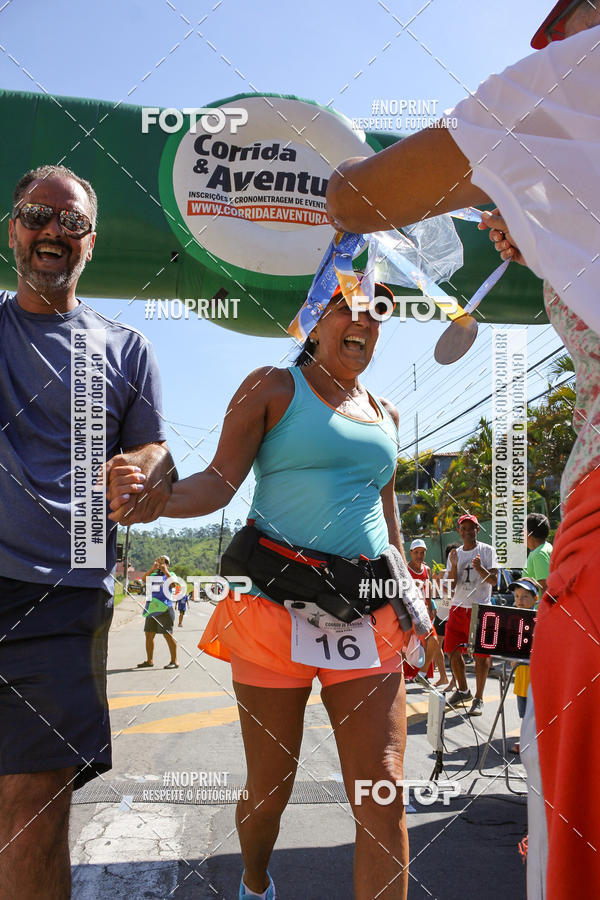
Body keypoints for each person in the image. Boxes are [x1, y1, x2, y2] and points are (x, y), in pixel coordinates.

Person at [327, 5, 600, 895]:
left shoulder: (573, 75)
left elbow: (353, 197)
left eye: (568, 24)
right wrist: (546, 229)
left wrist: (498, 174)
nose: (556, 46)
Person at [108, 280, 434, 900]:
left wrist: (419, 616)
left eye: (377, 311)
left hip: (367, 615)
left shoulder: (387, 414)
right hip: (273, 610)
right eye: (347, 305)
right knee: (270, 789)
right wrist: (156, 502)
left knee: (383, 789)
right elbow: (216, 483)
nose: (364, 319)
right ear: (314, 321)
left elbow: (390, 534)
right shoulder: (272, 386)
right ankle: (255, 880)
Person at [0, 164, 174, 899]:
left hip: (64, 599)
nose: (53, 233)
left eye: (70, 223)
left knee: (31, 809)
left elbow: (155, 451)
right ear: (14, 228)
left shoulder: (126, 349)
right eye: (39, 215)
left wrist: (139, 471)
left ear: (90, 244)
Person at [444, 515, 499, 716]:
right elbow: (450, 587)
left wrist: (480, 568)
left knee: (482, 656)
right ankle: (463, 690)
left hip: (480, 608)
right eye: (464, 528)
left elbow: (494, 581)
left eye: (471, 528)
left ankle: (479, 697)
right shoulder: (455, 554)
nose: (468, 531)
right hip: (458, 608)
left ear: (477, 529)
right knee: (451, 650)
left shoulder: (487, 550)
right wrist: (454, 566)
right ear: (459, 531)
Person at [406, 539, 448, 686]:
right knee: (411, 646)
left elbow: (428, 589)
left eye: (422, 552)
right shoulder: (405, 570)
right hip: (409, 612)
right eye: (416, 552)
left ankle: (428, 674)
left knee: (434, 642)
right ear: (410, 553)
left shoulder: (427, 569)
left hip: (423, 612)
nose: (419, 555)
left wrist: (431, 606)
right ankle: (416, 675)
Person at [508, 577, 540, 754]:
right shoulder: (514, 619)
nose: (520, 600)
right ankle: (526, 740)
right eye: (517, 596)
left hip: (537, 677)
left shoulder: (540, 619)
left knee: (536, 713)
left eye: (525, 596)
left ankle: (532, 742)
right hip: (520, 676)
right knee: (524, 713)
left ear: (536, 598)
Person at [138, 556, 179, 668]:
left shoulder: (171, 575)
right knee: (149, 635)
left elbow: (173, 584)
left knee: (168, 635)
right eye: (159, 561)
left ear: (167, 564)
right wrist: (152, 569)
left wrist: (165, 571)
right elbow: (144, 579)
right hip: (152, 609)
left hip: (165, 609)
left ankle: (174, 661)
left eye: (163, 562)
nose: (160, 564)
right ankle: (149, 660)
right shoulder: (153, 575)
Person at [523, 513, 553, 595]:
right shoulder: (545, 547)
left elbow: (545, 588)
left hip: (538, 607)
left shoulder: (539, 553)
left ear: (528, 533)